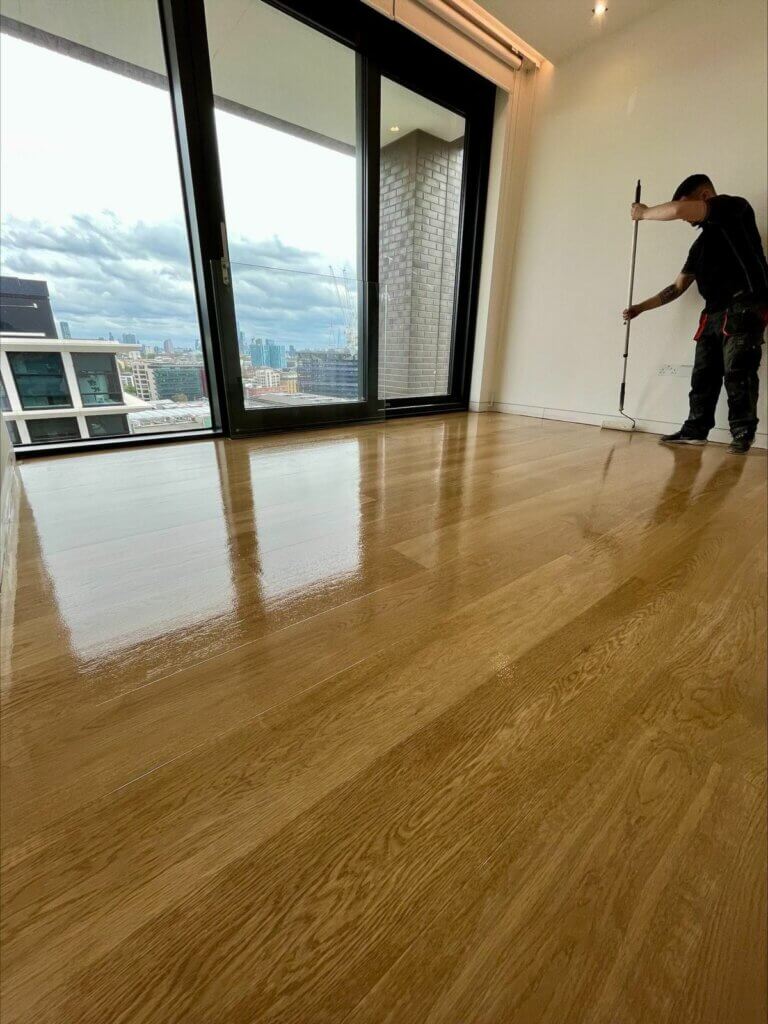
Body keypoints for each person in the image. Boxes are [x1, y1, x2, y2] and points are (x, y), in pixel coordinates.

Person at [623, 174, 768, 454]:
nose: (684, 219)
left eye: (688, 206)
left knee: (738, 372)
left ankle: (742, 433)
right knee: (703, 375)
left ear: (704, 196)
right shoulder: (700, 246)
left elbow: (678, 209)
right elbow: (677, 288)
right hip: (712, 313)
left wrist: (644, 213)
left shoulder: (734, 208)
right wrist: (640, 307)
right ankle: (695, 431)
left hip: (744, 306)